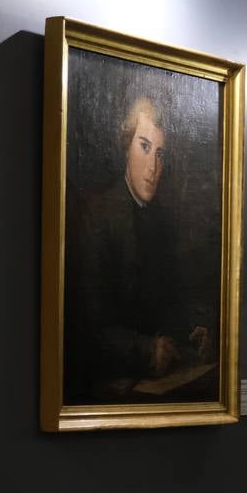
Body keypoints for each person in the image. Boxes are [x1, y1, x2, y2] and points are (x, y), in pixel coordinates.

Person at [63, 96, 218, 404]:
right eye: (144, 147)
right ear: (126, 147)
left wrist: (195, 327)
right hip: (105, 387)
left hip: (156, 383)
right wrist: (146, 350)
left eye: (160, 154)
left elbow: (172, 299)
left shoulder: (163, 221)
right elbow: (89, 325)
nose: (153, 167)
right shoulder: (99, 217)